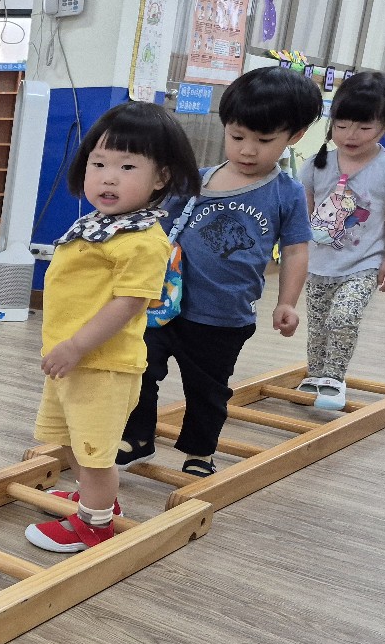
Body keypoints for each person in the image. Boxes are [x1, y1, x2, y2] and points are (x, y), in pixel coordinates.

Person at [119, 67, 322, 476]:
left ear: (295, 136)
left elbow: (296, 250)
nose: (248, 150)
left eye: (264, 140)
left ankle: (200, 451)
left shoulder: (286, 193)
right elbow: (158, 229)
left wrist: (287, 302)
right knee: (140, 369)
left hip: (223, 317)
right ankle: (137, 437)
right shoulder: (198, 181)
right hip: (164, 305)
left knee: (207, 389)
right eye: (237, 136)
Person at [26, 101, 201, 553]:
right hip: (72, 359)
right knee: (69, 441)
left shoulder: (143, 240)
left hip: (102, 365)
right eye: (98, 164)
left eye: (126, 167)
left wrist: (75, 346)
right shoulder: (99, 226)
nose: (108, 177)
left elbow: (129, 303)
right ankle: (94, 498)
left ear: (160, 178)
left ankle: (95, 523)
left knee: (95, 453)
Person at [296, 71, 385, 409]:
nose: (350, 135)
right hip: (319, 263)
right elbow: (304, 217)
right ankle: (315, 374)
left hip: (364, 262)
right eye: (341, 125)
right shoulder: (316, 165)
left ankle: (333, 379)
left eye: (364, 128)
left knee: (343, 317)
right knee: (318, 325)